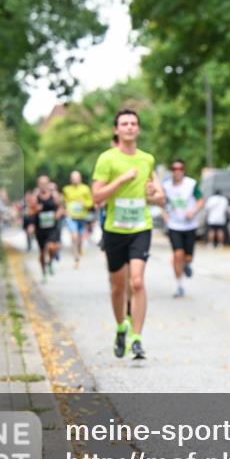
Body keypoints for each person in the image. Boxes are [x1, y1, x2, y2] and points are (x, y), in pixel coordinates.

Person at [92, 109, 164, 360]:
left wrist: (153, 193)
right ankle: (121, 326)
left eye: (134, 123)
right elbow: (96, 196)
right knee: (118, 286)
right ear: (116, 129)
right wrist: (121, 180)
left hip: (141, 227)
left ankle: (137, 338)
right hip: (114, 229)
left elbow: (160, 197)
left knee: (137, 281)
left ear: (138, 129)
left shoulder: (147, 159)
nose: (130, 127)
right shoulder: (107, 159)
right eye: (124, 123)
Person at [162, 159, 204, 298]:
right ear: (172, 171)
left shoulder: (191, 184)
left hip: (190, 225)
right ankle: (179, 285)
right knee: (177, 254)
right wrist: (164, 215)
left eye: (180, 168)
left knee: (188, 257)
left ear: (183, 170)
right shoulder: (166, 186)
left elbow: (201, 200)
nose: (177, 171)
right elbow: (161, 202)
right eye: (175, 169)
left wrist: (193, 211)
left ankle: (186, 264)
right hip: (174, 225)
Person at [29, 175, 64, 282]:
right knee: (42, 253)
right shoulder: (35, 197)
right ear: (38, 185)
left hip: (52, 227)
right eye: (41, 183)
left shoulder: (54, 195)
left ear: (48, 184)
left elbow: (61, 208)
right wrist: (36, 210)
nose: (43, 185)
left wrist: (58, 214)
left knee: (52, 247)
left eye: (45, 183)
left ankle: (50, 262)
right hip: (40, 228)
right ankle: (44, 273)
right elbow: (30, 213)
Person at [62, 170, 95, 269]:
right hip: (71, 217)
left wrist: (84, 204)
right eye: (73, 178)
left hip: (82, 217)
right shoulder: (66, 189)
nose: (75, 180)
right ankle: (76, 257)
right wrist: (65, 210)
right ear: (70, 179)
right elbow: (64, 202)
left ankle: (79, 249)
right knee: (74, 236)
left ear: (80, 179)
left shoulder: (85, 189)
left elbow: (91, 202)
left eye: (76, 178)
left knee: (80, 238)